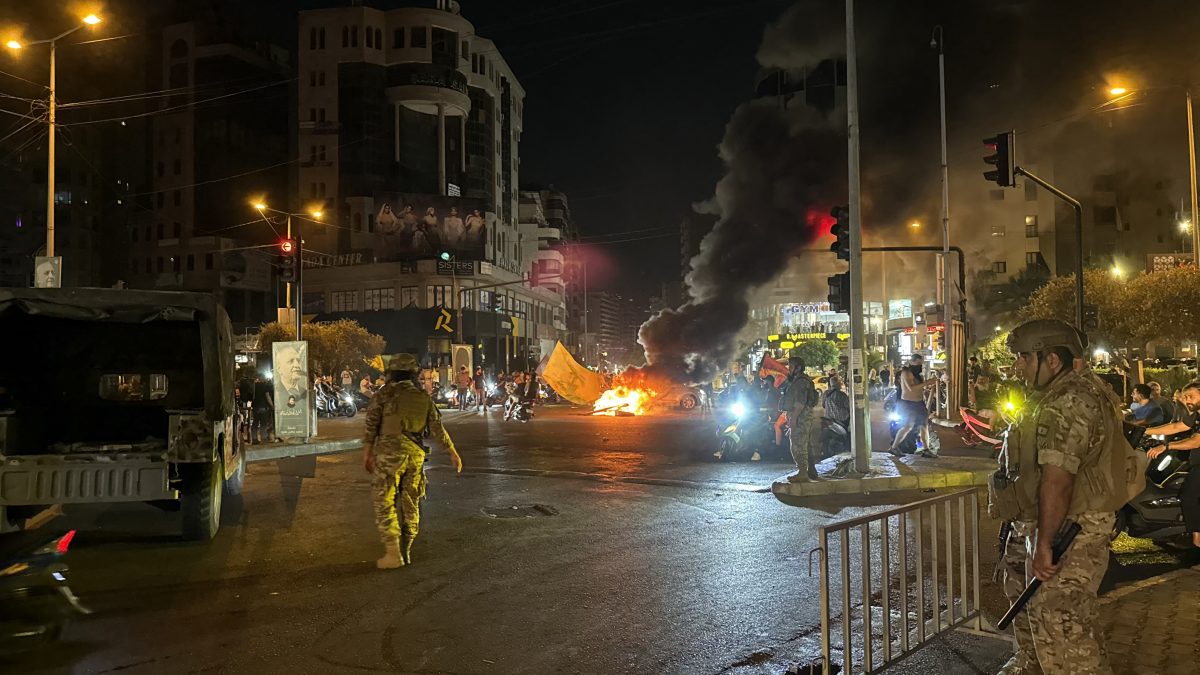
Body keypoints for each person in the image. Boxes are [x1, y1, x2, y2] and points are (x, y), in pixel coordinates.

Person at [992, 319, 1140, 674]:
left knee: (1061, 619)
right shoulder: (1056, 395)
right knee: (1030, 608)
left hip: (1070, 531)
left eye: (1024, 357)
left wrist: (1044, 544)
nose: (1018, 366)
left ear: (1052, 360)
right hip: (1042, 523)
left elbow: (1058, 480)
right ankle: (1030, 665)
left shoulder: (1071, 401)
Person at [362, 353, 462, 569]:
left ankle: (393, 552)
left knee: (384, 501)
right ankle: (406, 549)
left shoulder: (384, 394)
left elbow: (371, 425)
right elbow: (437, 428)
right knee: (411, 502)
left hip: (390, 453)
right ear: (413, 373)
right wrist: (452, 451)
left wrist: (367, 452)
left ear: (392, 372)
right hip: (415, 455)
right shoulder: (422, 397)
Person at [1144, 380, 1200, 549]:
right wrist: (1144, 431)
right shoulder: (1196, 414)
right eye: (1185, 397)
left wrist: (1166, 446)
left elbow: (1196, 441)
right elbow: (1177, 426)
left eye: (1191, 396)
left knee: (1189, 495)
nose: (1187, 400)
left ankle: (1197, 538)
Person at [779, 356, 820, 482]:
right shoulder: (797, 380)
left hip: (801, 416)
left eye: (791, 367)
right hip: (801, 416)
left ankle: (802, 472)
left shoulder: (801, 382)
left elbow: (799, 403)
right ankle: (811, 471)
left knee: (797, 444)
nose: (789, 369)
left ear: (798, 368)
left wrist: (793, 418)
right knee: (805, 444)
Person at [889, 354, 939, 457]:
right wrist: (927, 382)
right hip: (909, 404)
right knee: (907, 426)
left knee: (924, 426)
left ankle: (926, 449)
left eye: (921, 363)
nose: (920, 366)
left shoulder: (917, 374)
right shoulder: (906, 373)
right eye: (918, 363)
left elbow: (919, 388)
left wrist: (926, 387)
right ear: (912, 362)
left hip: (919, 403)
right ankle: (894, 447)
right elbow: (911, 388)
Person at [251, 375, 274, 444]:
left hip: (255, 407)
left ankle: (254, 439)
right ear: (263, 379)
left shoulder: (254, 386)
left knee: (255, 423)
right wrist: (272, 405)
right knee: (263, 424)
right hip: (263, 407)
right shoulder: (265, 386)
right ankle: (263, 438)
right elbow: (267, 396)